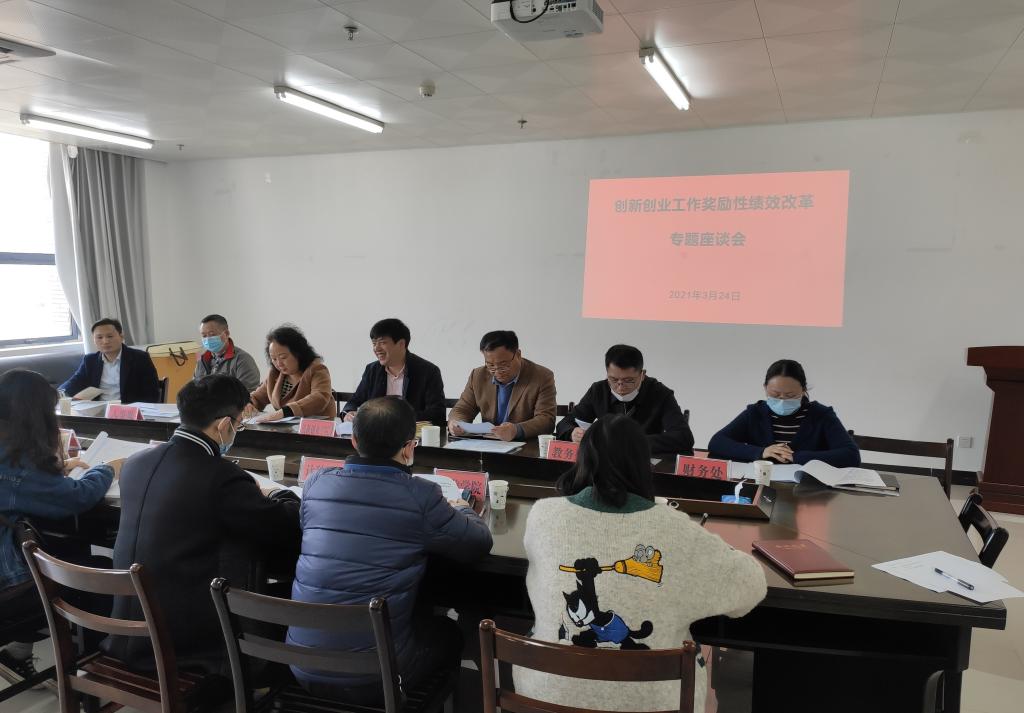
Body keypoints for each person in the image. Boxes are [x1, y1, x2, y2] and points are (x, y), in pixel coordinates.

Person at [518, 415, 766, 712]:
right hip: (653, 702)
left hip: (546, 697)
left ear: (581, 459)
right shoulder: (676, 528)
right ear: (645, 464)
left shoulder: (543, 514)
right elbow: (751, 585)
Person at [289, 397, 492, 703]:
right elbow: (478, 543)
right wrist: (463, 508)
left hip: (302, 667)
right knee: (448, 632)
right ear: (409, 448)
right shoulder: (421, 495)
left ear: (354, 440)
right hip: (377, 679)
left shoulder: (317, 483)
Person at [103, 375, 301, 672]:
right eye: (239, 424)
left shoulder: (135, 463)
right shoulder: (221, 477)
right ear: (224, 425)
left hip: (128, 628)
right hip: (181, 643)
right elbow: (283, 525)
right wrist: (280, 494)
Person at [0, 369, 116, 682]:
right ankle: (98, 670)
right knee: (99, 572)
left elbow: (20, 486)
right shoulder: (17, 466)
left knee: (58, 551)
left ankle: (18, 652)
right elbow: (78, 497)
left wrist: (56, 470)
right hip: (9, 588)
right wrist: (107, 469)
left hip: (6, 568)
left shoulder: (10, 456)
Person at [708, 359, 860, 467]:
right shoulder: (755, 413)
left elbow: (851, 455)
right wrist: (761, 452)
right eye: (775, 394)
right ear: (765, 388)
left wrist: (797, 456)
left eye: (790, 395)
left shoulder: (821, 415)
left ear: (803, 390)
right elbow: (717, 442)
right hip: (761, 485)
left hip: (808, 491)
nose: (782, 400)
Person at [555, 345, 694, 456]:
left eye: (629, 380)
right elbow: (564, 424)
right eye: (613, 379)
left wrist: (631, 443)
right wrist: (573, 432)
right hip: (605, 463)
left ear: (642, 375)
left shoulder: (660, 393)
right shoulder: (598, 390)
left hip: (642, 463)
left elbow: (683, 437)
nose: (620, 387)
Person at [448, 331, 556, 441]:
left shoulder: (542, 376)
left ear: (518, 354)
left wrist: (516, 430)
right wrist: (457, 423)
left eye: (504, 365)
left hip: (525, 445)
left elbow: (547, 420)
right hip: (488, 444)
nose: (497, 371)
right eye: (491, 365)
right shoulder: (477, 376)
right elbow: (462, 409)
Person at [341, 318, 446, 426]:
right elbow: (354, 401)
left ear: (401, 344)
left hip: (410, 434)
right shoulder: (372, 370)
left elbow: (437, 414)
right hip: (375, 433)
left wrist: (394, 419)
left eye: (382, 342)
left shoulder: (428, 371)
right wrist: (349, 413)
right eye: (374, 343)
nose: (376, 348)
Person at [244, 325, 336, 422]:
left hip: (317, 427)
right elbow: (257, 398)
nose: (279, 363)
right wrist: (249, 404)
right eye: (274, 359)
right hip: (286, 428)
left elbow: (320, 398)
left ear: (298, 353)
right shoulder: (274, 374)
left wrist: (285, 412)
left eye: (283, 357)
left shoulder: (317, 369)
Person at [59, 318, 160, 403]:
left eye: (110, 336)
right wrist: (57, 394)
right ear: (94, 340)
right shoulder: (90, 361)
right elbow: (73, 383)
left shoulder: (140, 358)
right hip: (98, 412)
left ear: (121, 337)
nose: (105, 341)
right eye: (99, 337)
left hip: (129, 412)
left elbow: (152, 393)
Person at [193, 314, 261, 392]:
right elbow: (194, 389)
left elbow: (248, 393)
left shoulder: (242, 360)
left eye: (212, 335)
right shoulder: (202, 360)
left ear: (226, 333)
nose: (208, 339)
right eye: (204, 336)